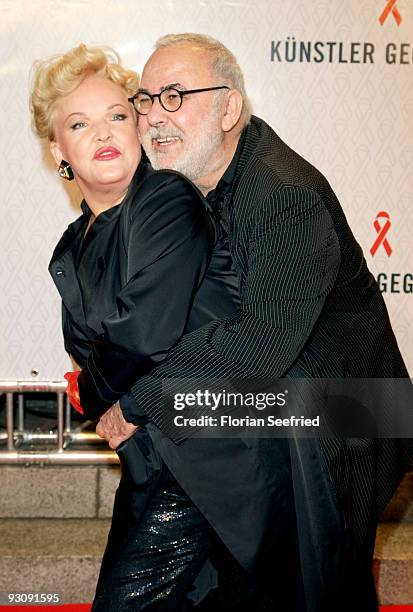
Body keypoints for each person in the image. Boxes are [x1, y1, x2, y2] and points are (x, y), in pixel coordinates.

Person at [97, 33, 413, 611]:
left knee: (314, 591)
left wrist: (142, 400)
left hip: (350, 415)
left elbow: (258, 344)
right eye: (144, 99)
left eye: (174, 96)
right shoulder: (196, 184)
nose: (152, 118)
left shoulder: (280, 194)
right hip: (276, 414)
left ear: (229, 109)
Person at [30, 43, 246, 610]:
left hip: (206, 466)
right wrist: (100, 401)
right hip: (150, 467)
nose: (103, 133)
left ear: (138, 125)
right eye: (79, 123)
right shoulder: (70, 250)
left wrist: (92, 401)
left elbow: (142, 334)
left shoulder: (167, 199)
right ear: (59, 147)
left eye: (117, 116)